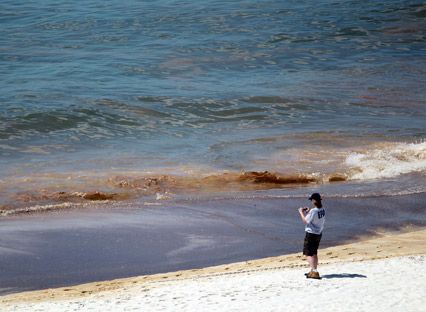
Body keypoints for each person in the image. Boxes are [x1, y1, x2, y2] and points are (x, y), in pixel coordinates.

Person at [298, 193, 326, 279]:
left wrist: (301, 212)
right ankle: (313, 270)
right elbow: (313, 218)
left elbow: (305, 221)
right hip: (318, 233)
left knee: (308, 253)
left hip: (311, 233)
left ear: (314, 200)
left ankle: (314, 271)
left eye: (311, 200)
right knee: (314, 252)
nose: (311, 201)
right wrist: (309, 211)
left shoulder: (313, 211)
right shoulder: (322, 209)